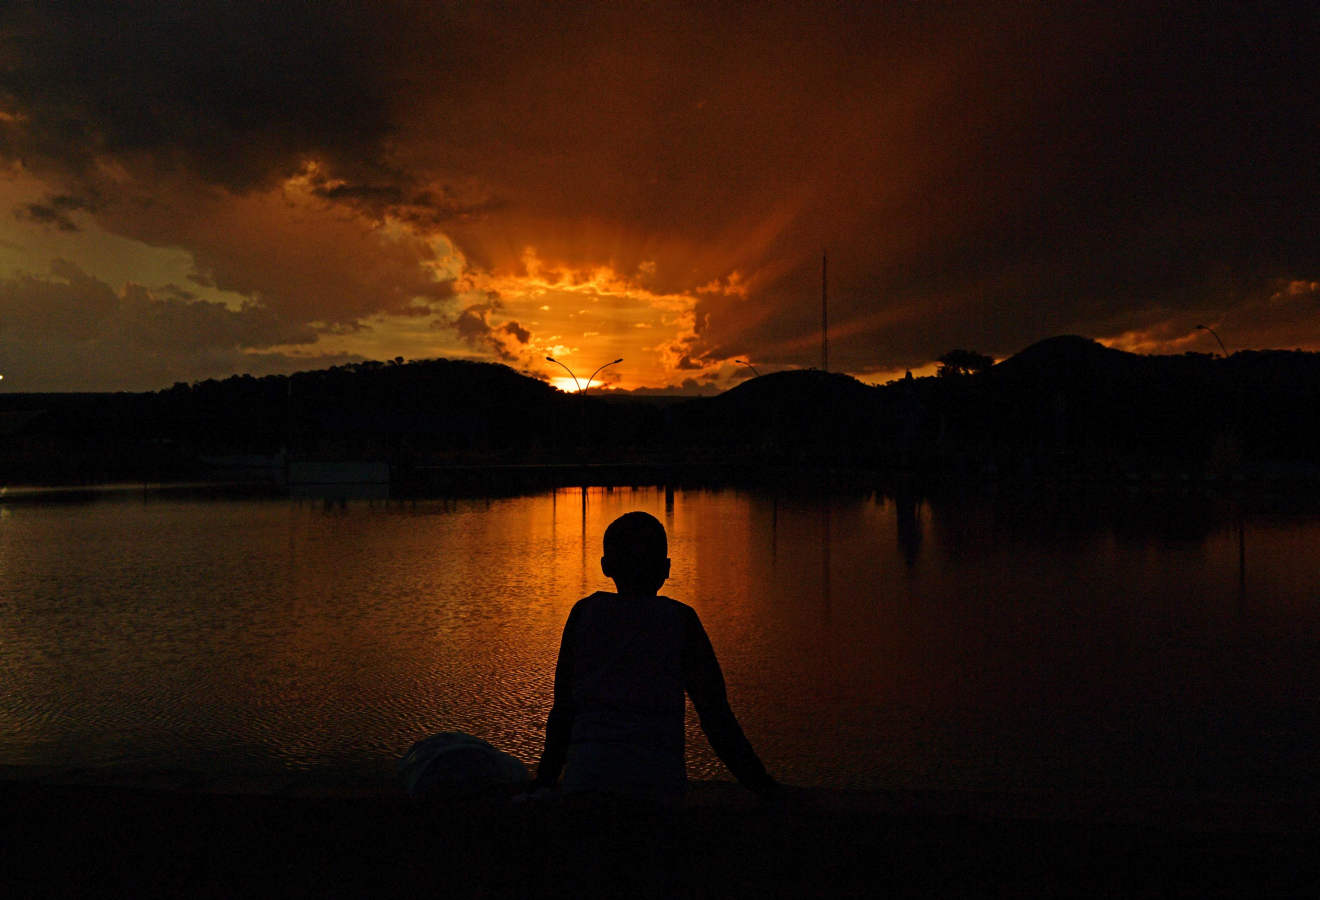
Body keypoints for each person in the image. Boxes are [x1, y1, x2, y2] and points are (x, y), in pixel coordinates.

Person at [529, 511, 777, 802]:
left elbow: (563, 713)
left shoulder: (583, 615)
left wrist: (544, 782)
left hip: (587, 786)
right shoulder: (680, 621)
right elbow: (717, 720)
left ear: (606, 566)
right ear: (666, 568)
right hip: (658, 791)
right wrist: (766, 789)